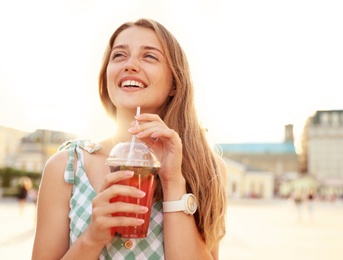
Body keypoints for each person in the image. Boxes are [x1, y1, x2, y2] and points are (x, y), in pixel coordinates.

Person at [32, 18, 227, 259]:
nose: (130, 65)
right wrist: (92, 237)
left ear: (175, 84)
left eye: (149, 57)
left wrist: (173, 180)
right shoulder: (65, 166)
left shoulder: (207, 168)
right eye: (119, 56)